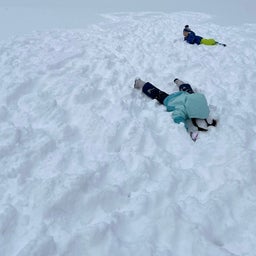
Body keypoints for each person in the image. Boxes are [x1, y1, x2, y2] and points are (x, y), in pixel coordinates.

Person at [134, 77, 217, 140]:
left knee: (187, 89)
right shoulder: (182, 109)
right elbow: (178, 118)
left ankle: (179, 83)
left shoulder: (196, 98)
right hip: (171, 99)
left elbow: (199, 98)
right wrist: (187, 131)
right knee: (157, 93)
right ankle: (140, 83)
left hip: (185, 95)